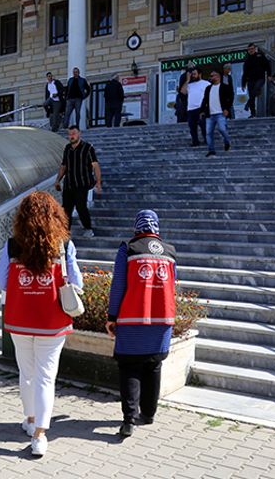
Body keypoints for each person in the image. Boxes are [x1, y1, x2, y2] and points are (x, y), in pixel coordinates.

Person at [0, 191, 83, 457]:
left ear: (22, 218)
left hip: (20, 319)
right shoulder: (63, 245)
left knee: (27, 373)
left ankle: (30, 419)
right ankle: (40, 436)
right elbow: (77, 283)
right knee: (46, 377)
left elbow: (2, 282)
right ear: (56, 215)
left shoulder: (12, 245)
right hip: (52, 323)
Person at [105, 210, 177, 438]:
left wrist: (112, 317)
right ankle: (149, 413)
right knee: (153, 366)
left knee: (129, 367)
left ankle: (129, 421)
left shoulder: (128, 248)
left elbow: (118, 285)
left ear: (137, 226)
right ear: (156, 227)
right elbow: (173, 285)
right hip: (162, 319)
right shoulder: (170, 251)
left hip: (132, 319)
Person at [54, 126, 101, 238]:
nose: (71, 136)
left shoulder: (88, 148)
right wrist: (57, 180)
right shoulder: (67, 148)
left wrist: (98, 182)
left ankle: (88, 228)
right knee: (65, 209)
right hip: (69, 183)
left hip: (82, 183)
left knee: (81, 207)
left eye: (74, 133)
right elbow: (63, 165)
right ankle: (65, 233)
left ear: (79, 133)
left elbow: (95, 166)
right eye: (69, 134)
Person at [201, 69, 234, 157]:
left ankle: (227, 141)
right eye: (210, 76)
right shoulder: (208, 88)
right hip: (210, 114)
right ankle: (211, 150)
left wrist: (227, 109)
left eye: (212, 76)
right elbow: (205, 100)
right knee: (208, 133)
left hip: (221, 113)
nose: (211, 77)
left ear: (218, 76)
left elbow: (230, 98)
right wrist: (202, 110)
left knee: (222, 129)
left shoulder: (225, 87)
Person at [241, 43, 271, 117]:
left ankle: (248, 103)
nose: (250, 50)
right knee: (252, 95)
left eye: (252, 49)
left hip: (260, 78)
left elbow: (267, 65)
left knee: (255, 90)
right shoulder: (247, 59)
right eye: (249, 49)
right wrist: (243, 83)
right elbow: (245, 72)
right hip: (250, 80)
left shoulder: (260, 56)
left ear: (255, 49)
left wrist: (269, 75)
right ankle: (253, 113)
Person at [185, 67, 208, 147]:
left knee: (203, 125)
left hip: (201, 108)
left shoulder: (206, 83)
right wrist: (187, 80)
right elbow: (183, 92)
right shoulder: (189, 85)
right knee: (192, 128)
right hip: (190, 109)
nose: (193, 76)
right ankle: (195, 141)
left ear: (199, 74)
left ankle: (206, 140)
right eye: (192, 74)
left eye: (195, 74)